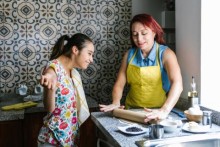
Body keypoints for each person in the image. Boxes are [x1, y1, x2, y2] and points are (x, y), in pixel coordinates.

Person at [99, 13, 183, 123]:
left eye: (144, 33)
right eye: (135, 34)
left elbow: (177, 84)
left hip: (157, 112)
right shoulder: (129, 55)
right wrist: (116, 102)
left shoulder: (166, 54)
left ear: (153, 32)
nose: (139, 39)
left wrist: (164, 110)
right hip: (131, 113)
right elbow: (119, 84)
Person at [38, 33, 95, 147]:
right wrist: (49, 81)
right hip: (53, 140)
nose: (91, 59)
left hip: (67, 140)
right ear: (75, 50)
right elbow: (50, 108)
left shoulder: (71, 71)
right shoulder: (54, 68)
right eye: (89, 54)